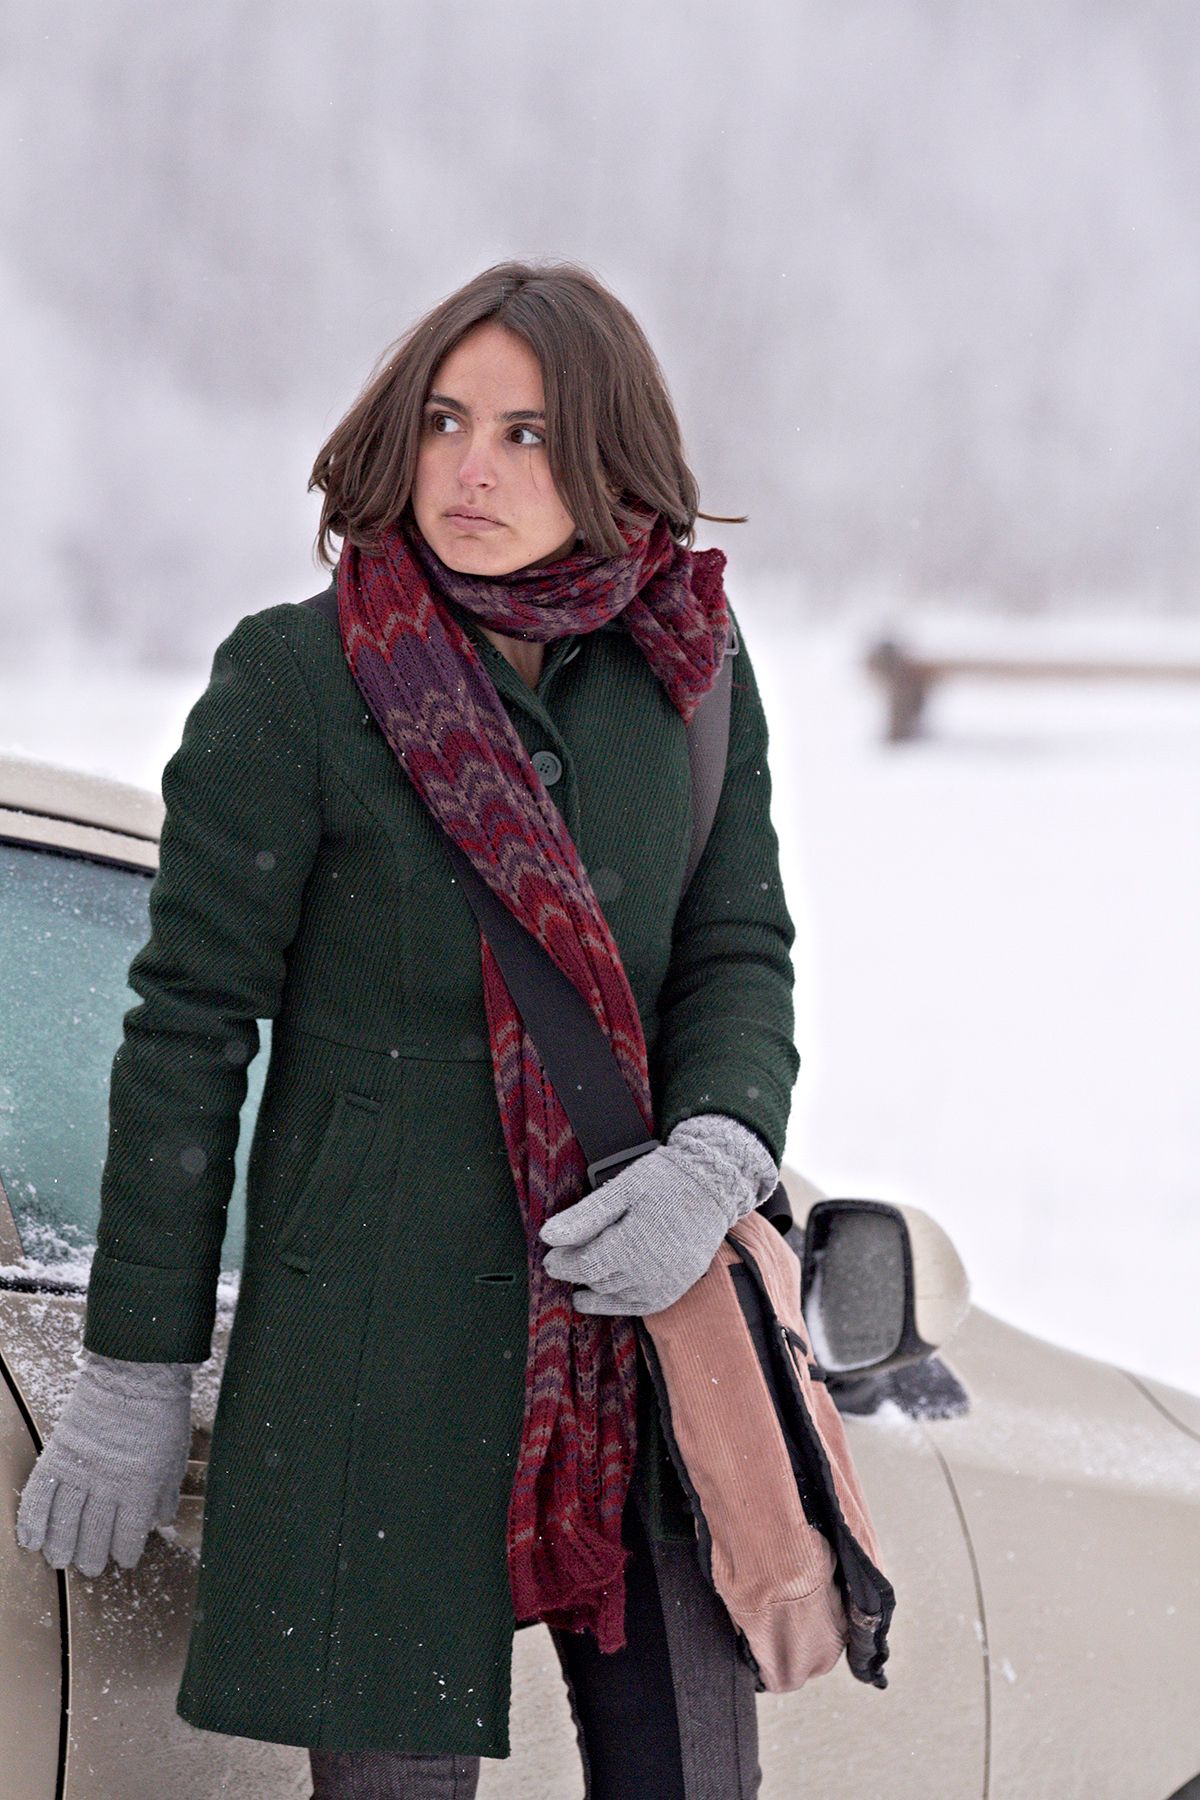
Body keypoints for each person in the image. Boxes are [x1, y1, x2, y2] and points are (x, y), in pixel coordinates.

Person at [15, 259, 800, 1799]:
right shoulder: (299, 681)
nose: (471, 469)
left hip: (639, 1356)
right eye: (446, 421)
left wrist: (717, 1150)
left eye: (526, 432)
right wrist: (135, 1365)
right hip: (378, 1361)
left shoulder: (691, 673)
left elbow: (735, 947)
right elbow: (188, 1032)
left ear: (611, 460)